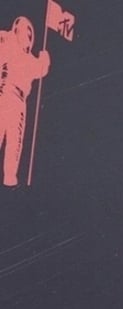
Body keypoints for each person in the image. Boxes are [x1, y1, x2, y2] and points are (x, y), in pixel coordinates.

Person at [0, 17, 50, 187]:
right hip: (4, 93)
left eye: (29, 34)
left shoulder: (29, 59)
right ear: (16, 30)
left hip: (20, 102)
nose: (27, 36)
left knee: (15, 140)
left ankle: (10, 178)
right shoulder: (7, 43)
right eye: (24, 31)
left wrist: (44, 59)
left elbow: (40, 69)